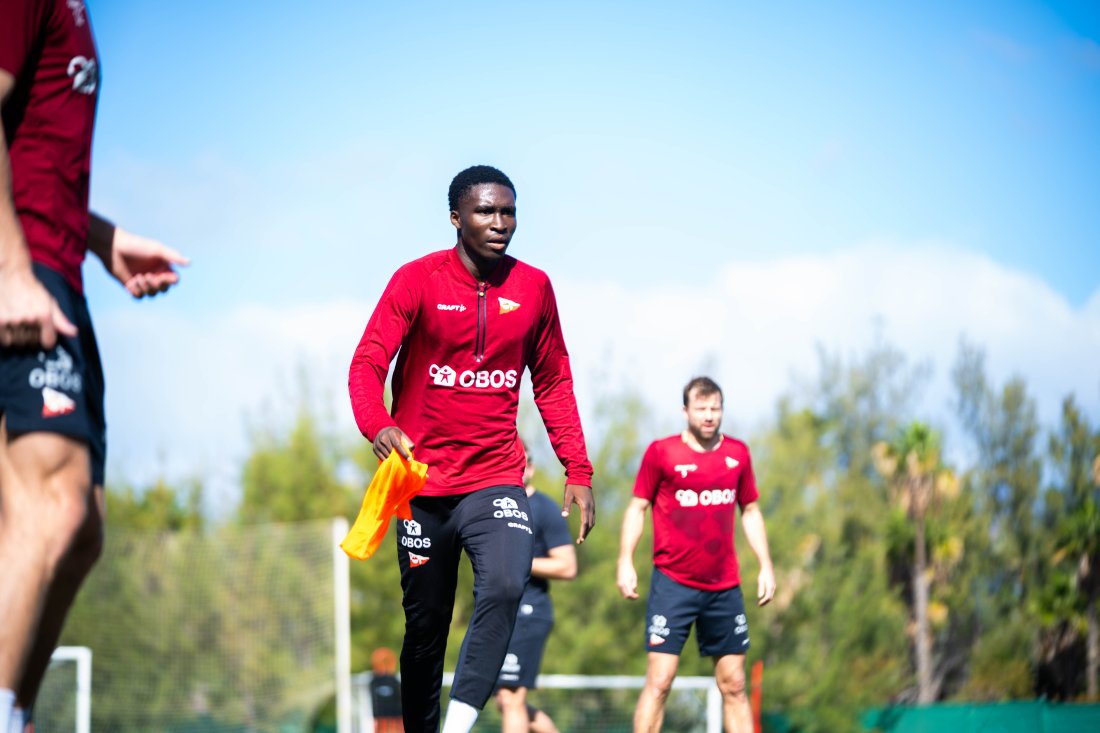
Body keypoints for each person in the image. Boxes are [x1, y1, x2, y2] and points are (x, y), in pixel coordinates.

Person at [348, 164, 594, 733]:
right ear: (456, 218)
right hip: (423, 486)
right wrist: (378, 424)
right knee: (426, 628)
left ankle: (457, 728)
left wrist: (576, 468)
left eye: (509, 211)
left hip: (495, 478)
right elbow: (367, 363)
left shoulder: (534, 288)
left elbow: (554, 380)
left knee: (506, 585)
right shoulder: (416, 280)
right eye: (486, 211)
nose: (500, 222)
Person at [0, 2, 189, 731]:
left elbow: (33, 146)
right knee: (52, 505)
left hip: (59, 270)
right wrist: (12, 269)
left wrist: (99, 237)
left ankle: (15, 711)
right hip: (24, 275)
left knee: (81, 529)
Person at [617, 377, 775, 733]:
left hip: (724, 587)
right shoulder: (662, 453)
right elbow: (636, 508)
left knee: (734, 683)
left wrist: (766, 566)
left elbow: (750, 511)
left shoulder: (738, 455)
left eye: (715, 409)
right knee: (660, 681)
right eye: (701, 409)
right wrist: (625, 560)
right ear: (685, 411)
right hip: (673, 584)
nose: (709, 416)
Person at [494, 443, 576, 733]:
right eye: (514, 461)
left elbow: (567, 566)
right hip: (499, 612)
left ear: (532, 467)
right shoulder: (493, 503)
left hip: (529, 611)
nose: (521, 467)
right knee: (505, 701)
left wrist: (520, 561)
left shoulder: (545, 508)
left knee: (512, 697)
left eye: (526, 461)